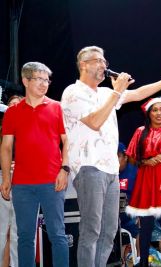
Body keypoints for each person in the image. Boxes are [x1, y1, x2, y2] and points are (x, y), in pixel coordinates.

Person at [61, 45, 161, 267]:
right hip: (88, 166)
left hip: (111, 170)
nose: (104, 65)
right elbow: (94, 122)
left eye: (105, 61)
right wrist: (116, 93)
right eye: (98, 61)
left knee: (109, 230)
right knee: (91, 228)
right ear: (83, 65)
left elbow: (138, 93)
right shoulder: (73, 93)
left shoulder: (105, 93)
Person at [0, 62, 69, 267]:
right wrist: (6, 177)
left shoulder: (56, 107)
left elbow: (67, 142)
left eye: (46, 80)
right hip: (21, 184)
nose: (44, 84)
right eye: (39, 79)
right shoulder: (13, 112)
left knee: (58, 234)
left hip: (52, 180)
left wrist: (64, 169)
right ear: (25, 81)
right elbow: (5, 147)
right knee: (25, 237)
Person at [125, 98, 161, 267]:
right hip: (146, 182)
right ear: (148, 113)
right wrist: (145, 162)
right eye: (155, 110)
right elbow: (131, 157)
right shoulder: (140, 131)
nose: (159, 113)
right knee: (145, 227)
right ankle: (144, 262)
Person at [0, 95, 22, 267]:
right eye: (10, 105)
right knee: (1, 230)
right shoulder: (2, 130)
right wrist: (5, 166)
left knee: (18, 232)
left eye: (17, 104)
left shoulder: (30, 129)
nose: (13, 107)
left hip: (24, 180)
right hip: (2, 177)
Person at [118, 142, 140, 261]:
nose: (115, 160)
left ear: (125, 157)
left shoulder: (135, 172)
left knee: (141, 227)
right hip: (112, 217)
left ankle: (140, 260)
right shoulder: (108, 173)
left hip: (130, 216)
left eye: (118, 156)